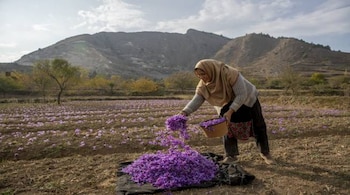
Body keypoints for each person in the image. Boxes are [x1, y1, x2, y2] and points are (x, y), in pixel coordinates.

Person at [180, 59, 275, 165]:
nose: (201, 77)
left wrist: (230, 111)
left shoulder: (229, 73)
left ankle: (265, 153)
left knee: (258, 125)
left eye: (203, 74)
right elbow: (197, 99)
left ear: (211, 70)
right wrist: (185, 112)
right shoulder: (204, 85)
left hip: (248, 98)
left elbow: (241, 95)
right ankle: (230, 155)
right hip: (227, 101)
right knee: (225, 126)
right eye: (198, 75)